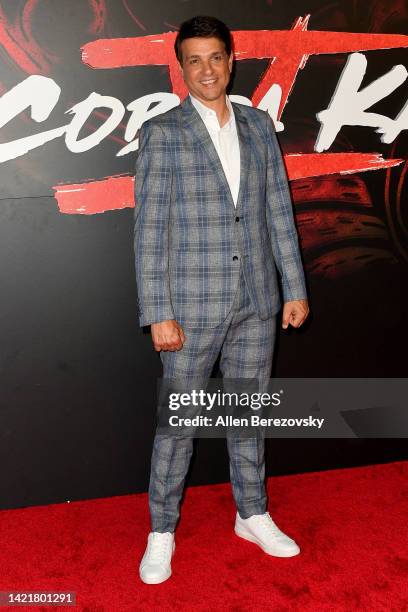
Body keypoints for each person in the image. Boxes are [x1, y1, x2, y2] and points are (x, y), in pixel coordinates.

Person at [134, 15, 309, 584]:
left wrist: (293, 288)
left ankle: (252, 513)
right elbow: (149, 230)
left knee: (249, 417)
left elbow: (278, 212)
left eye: (216, 57)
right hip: (188, 308)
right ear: (181, 67)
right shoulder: (164, 132)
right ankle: (162, 530)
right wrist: (157, 311)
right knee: (177, 426)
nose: (206, 69)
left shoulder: (259, 126)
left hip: (256, 301)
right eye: (194, 60)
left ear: (232, 61)